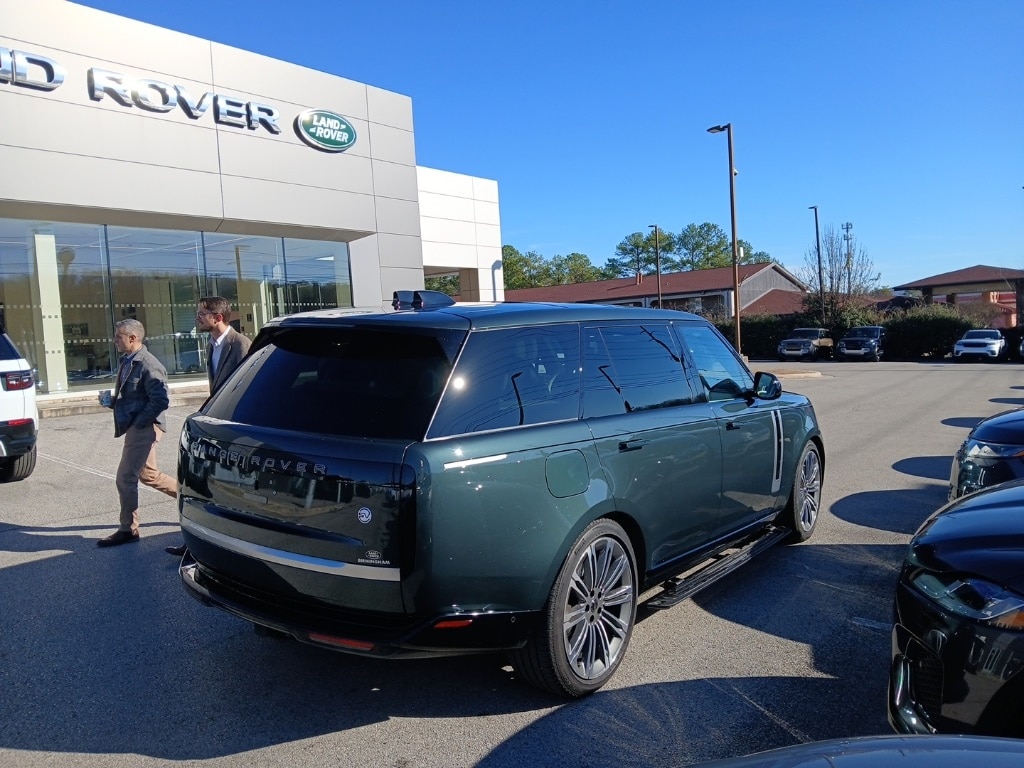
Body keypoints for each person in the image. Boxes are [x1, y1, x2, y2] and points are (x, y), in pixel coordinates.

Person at [164, 297, 251, 557]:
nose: (198, 318)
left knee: (229, 488)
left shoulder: (241, 344)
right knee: (204, 484)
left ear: (218, 317)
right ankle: (196, 541)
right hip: (216, 422)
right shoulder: (212, 345)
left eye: (202, 314)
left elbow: (245, 386)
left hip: (234, 427)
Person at [96, 318, 178, 547]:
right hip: (139, 424)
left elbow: (160, 400)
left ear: (132, 338)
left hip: (144, 427)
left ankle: (128, 529)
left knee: (125, 478)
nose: (114, 340)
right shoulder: (128, 360)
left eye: (118, 336)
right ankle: (194, 498)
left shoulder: (148, 364)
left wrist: (140, 423)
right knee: (149, 475)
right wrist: (113, 402)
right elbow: (135, 396)